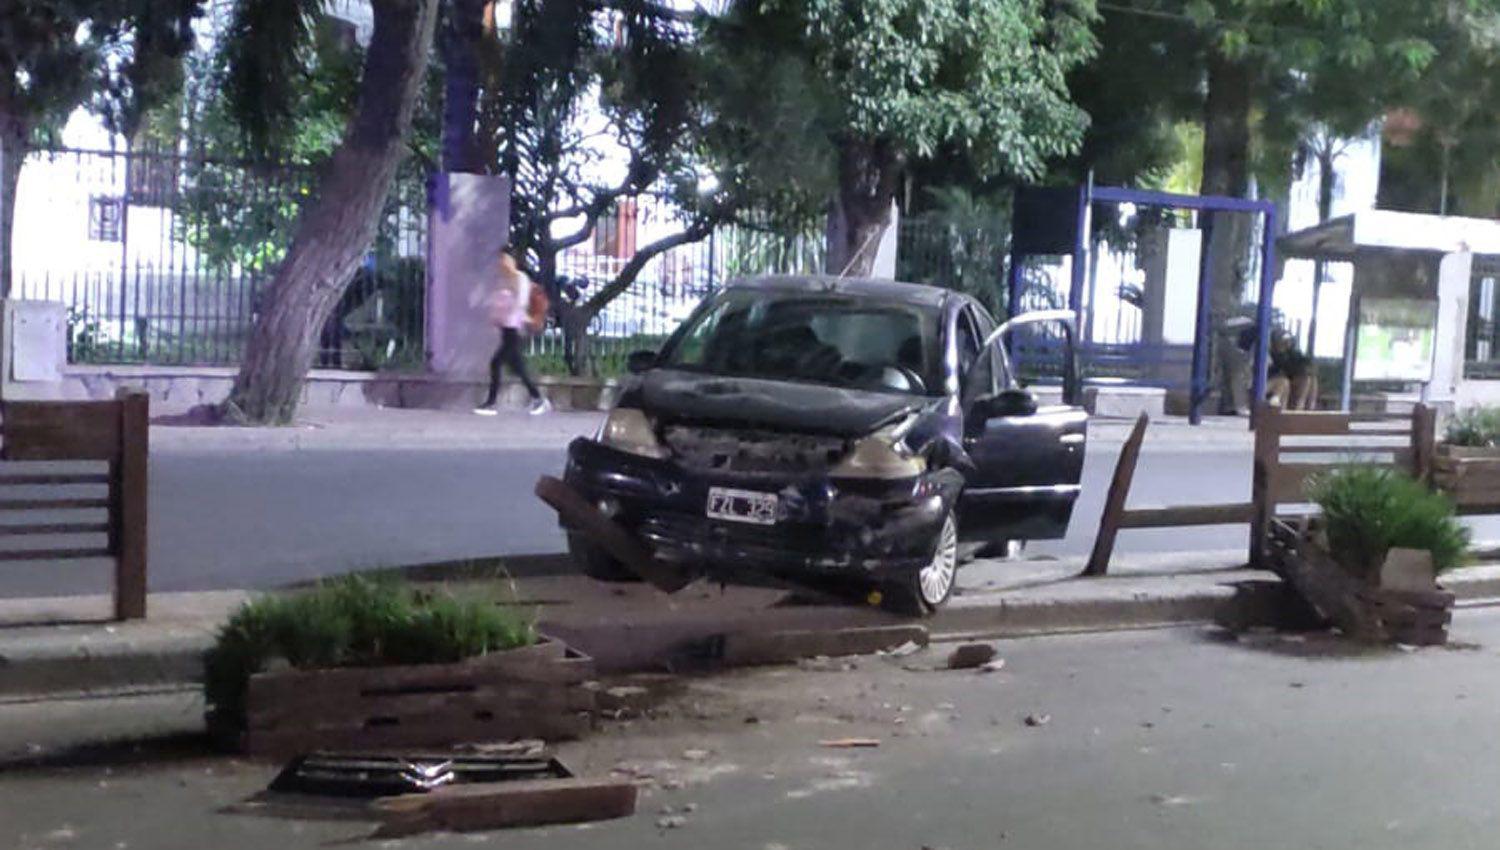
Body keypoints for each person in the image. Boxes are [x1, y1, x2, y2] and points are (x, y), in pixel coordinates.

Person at [475, 252, 550, 416]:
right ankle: (538, 399)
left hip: (515, 330)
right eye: (500, 260)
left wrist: (507, 311)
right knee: (518, 368)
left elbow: (520, 304)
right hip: (507, 329)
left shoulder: (520, 279)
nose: (502, 263)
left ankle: (491, 403)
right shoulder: (504, 280)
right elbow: (499, 303)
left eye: (505, 259)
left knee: (497, 364)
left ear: (512, 261)